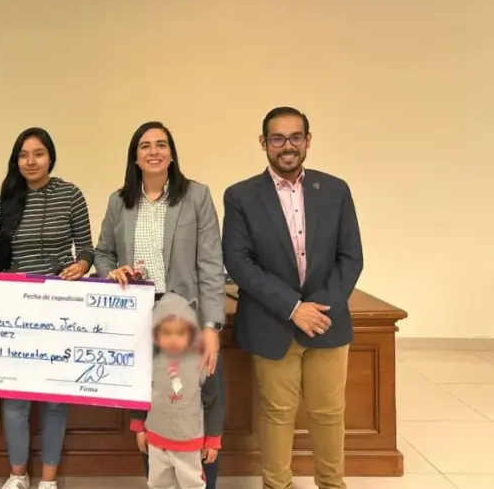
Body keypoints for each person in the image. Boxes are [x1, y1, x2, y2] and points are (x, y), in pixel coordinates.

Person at [222, 107, 363, 489]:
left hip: (327, 321)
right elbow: (238, 261)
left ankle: (332, 484)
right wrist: (292, 307)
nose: (287, 146)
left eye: (295, 137)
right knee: (277, 412)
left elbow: (351, 257)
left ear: (308, 141)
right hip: (273, 321)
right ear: (264, 143)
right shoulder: (240, 196)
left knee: (329, 413)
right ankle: (277, 484)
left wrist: (318, 308)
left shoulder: (335, 190)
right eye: (278, 138)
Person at [93, 121, 226, 488]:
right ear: (135, 157)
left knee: (194, 406)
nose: (154, 151)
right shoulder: (119, 201)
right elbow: (102, 251)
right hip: (141, 318)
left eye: (161, 144)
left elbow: (212, 265)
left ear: (171, 153)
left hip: (187, 319)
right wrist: (111, 270)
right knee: (151, 408)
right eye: (145, 146)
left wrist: (212, 327)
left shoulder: (196, 196)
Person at [0, 127, 94, 489]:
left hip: (60, 309)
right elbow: (0, 257)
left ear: (51, 157)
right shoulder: (7, 196)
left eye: (38, 153)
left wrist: (83, 264)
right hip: (15, 312)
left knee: (55, 399)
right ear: (16, 160)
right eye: (23, 154)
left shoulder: (70, 194)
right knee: (15, 400)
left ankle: (48, 481)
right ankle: (17, 476)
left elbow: (86, 247)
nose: (31, 161)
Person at [131, 292, 223, 489]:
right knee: (158, 484)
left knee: (192, 484)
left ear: (190, 333)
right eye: (167, 333)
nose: (173, 339)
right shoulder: (149, 362)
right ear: (156, 334)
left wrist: (213, 440)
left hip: (190, 442)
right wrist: (139, 426)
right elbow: (140, 394)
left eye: (180, 333)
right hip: (156, 440)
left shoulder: (203, 363)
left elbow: (214, 403)